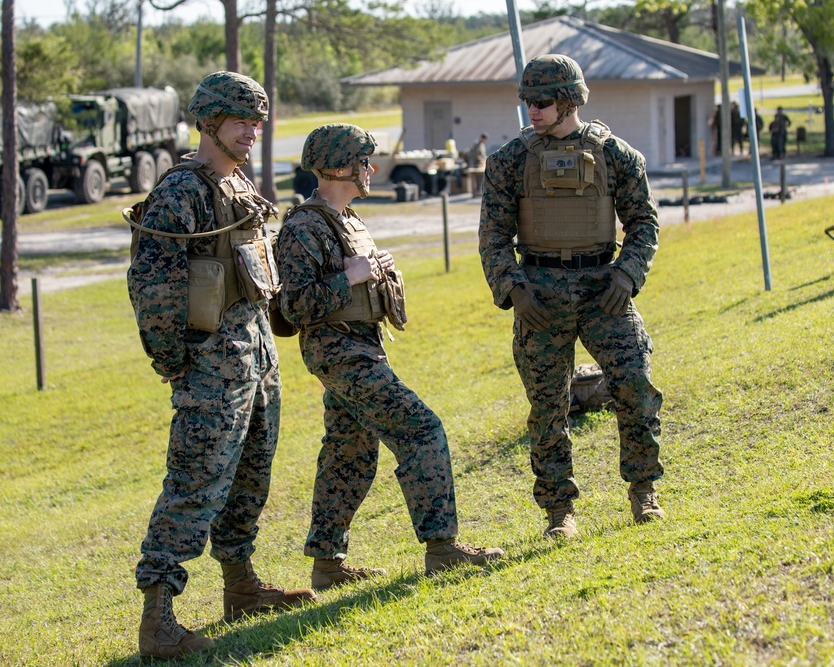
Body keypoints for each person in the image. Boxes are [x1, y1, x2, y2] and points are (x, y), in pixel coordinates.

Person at [126, 71, 316, 661]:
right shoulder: (181, 193)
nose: (252, 132)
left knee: (250, 475)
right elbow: (153, 285)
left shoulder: (237, 186)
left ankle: (242, 587)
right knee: (194, 485)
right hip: (210, 366)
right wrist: (172, 360)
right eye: (241, 122)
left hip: (255, 356)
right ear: (208, 123)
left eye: (257, 123)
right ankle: (158, 621)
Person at [275, 123, 504, 587]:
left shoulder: (347, 220)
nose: (371, 169)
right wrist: (353, 276)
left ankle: (327, 565)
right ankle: (442, 548)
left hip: (359, 346)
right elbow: (294, 306)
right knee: (421, 430)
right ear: (340, 166)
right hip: (339, 351)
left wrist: (377, 274)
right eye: (363, 162)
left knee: (350, 451)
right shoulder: (303, 227)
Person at [478, 54, 666, 540]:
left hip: (604, 288)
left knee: (635, 383)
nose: (532, 111)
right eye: (527, 102)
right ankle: (560, 511)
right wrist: (513, 289)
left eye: (541, 102)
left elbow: (644, 222)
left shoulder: (616, 155)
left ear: (569, 101)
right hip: (539, 295)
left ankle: (644, 491)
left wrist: (627, 273)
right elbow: (493, 238)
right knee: (547, 407)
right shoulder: (508, 162)